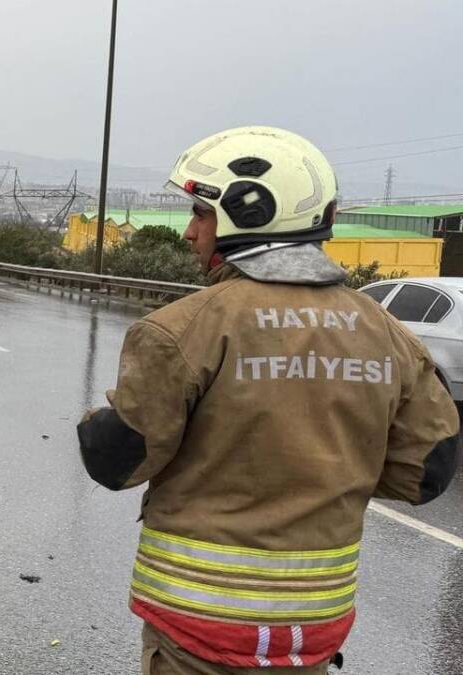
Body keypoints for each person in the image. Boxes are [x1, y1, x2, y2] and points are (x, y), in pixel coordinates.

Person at [76, 126, 460, 674]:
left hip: (200, 624)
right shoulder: (390, 334)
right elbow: (425, 475)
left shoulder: (181, 329)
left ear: (248, 214)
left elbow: (117, 462)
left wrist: (96, 422)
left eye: (200, 214)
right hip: (312, 630)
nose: (189, 233)